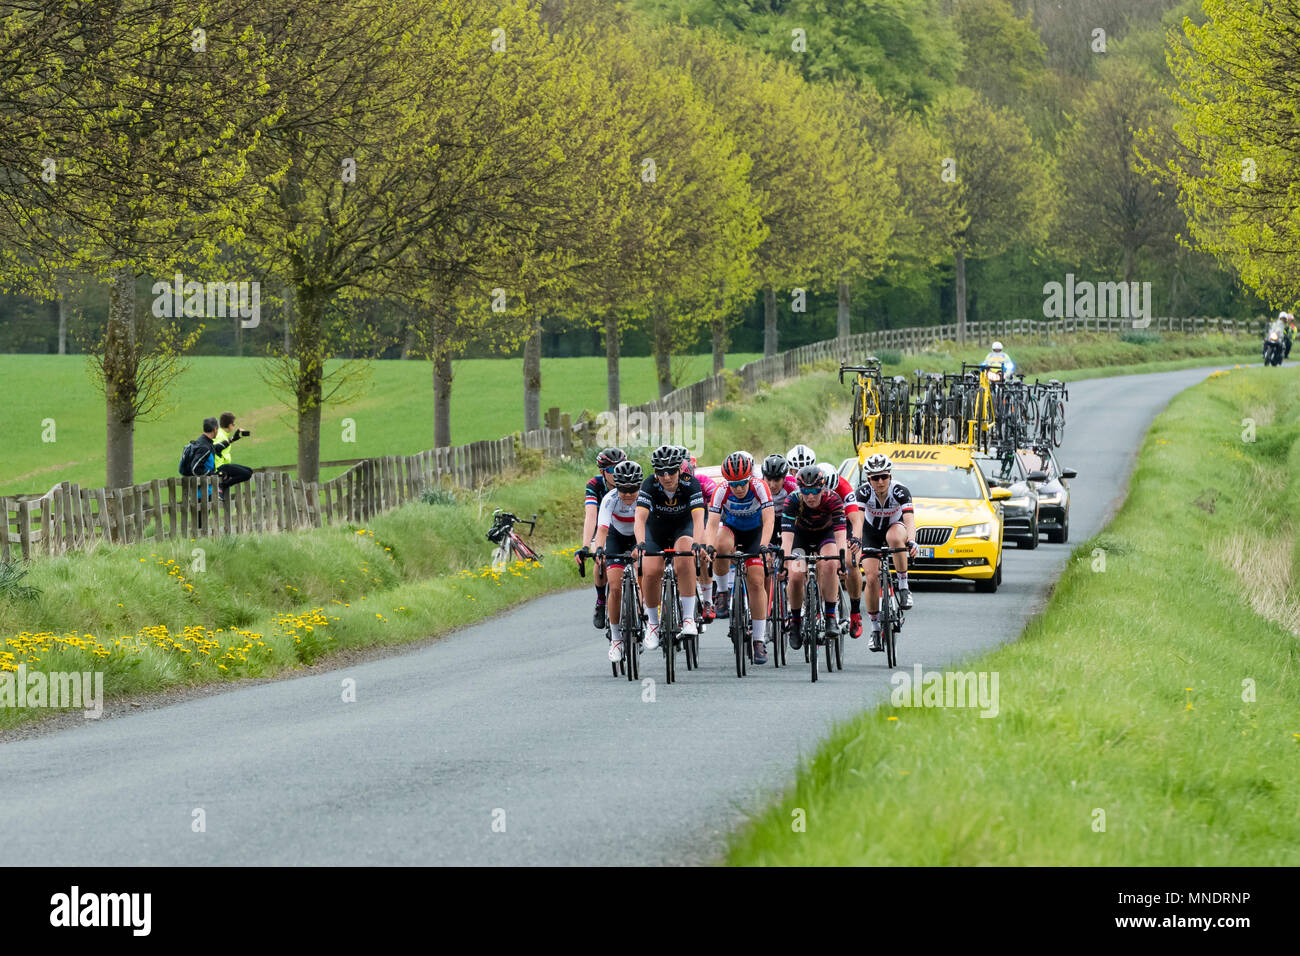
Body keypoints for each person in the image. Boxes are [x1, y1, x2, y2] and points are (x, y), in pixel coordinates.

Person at [632, 444, 707, 650]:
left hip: (683, 528)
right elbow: (639, 517)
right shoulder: (649, 484)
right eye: (661, 472)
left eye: (671, 471)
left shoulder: (690, 483)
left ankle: (689, 618)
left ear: (679, 469)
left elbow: (698, 518)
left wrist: (698, 543)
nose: (666, 477)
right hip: (656, 530)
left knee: (684, 559)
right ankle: (653, 625)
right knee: (650, 570)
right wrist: (640, 543)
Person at [705, 451, 775, 664]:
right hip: (732, 528)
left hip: (755, 532)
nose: (738, 488)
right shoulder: (721, 490)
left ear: (750, 477)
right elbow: (712, 523)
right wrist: (708, 546)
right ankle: (723, 594)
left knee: (755, 580)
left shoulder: (760, 487)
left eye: (742, 483)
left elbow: (769, 518)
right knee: (719, 545)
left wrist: (763, 545)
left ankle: (758, 640)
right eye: (733, 484)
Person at [846, 453, 918, 652]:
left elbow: (910, 520)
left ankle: (903, 586)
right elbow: (858, 521)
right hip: (870, 532)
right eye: (874, 478)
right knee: (870, 577)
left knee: (895, 538)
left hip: (895, 527)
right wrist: (856, 540)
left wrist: (911, 541)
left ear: (890, 476)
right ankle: (876, 629)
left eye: (884, 476)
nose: (879, 482)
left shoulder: (900, 491)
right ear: (868, 479)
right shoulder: (862, 493)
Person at [781, 463, 848, 647]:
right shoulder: (792, 500)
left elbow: (841, 535)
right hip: (800, 538)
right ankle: (795, 621)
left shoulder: (833, 499)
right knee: (794, 576)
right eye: (806, 491)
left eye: (816, 491)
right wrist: (783, 565)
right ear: (799, 489)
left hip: (824, 537)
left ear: (823, 487)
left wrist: (842, 561)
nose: (810, 497)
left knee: (829, 564)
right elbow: (786, 539)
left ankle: (830, 616)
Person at [593, 459, 644, 665]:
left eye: (633, 489)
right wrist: (598, 549)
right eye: (624, 489)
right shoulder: (609, 499)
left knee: (643, 575)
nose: (629, 494)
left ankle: (642, 618)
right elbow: (603, 530)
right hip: (616, 537)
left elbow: (650, 527)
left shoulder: (645, 499)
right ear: (617, 487)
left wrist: (640, 547)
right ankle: (615, 639)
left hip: (639, 537)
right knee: (615, 586)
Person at [579, 447, 626, 629]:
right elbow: (591, 516)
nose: (617, 473)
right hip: (603, 527)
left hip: (626, 527)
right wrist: (585, 546)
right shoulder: (595, 484)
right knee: (601, 560)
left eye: (620, 467)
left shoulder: (631, 480)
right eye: (612, 470)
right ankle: (601, 601)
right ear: (602, 472)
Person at [213, 412, 253, 501]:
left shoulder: (222, 434)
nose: (234, 426)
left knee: (249, 471)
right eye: (233, 424)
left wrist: (233, 439)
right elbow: (214, 449)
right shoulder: (220, 436)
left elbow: (224, 444)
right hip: (219, 467)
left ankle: (224, 484)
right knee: (246, 474)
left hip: (224, 465)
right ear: (230, 425)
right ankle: (223, 486)